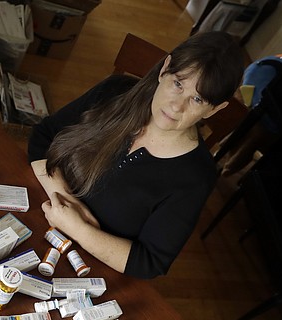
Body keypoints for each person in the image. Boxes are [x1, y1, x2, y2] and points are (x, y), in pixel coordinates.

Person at [28, 31, 244, 279]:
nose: (176, 106)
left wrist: (76, 227)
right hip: (38, 206)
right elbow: (42, 137)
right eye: (178, 84)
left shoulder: (196, 177)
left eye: (196, 99)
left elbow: (149, 262)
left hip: (84, 267)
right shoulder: (114, 91)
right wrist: (67, 201)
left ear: (214, 109)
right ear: (164, 70)